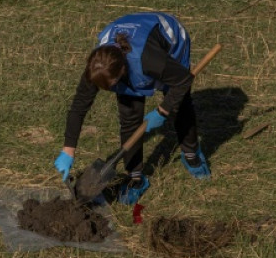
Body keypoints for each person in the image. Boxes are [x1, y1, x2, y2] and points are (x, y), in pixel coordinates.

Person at [53, 11, 211, 205]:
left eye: (111, 85)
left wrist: (163, 110)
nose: (110, 90)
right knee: (129, 117)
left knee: (179, 103)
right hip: (132, 52)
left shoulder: (149, 60)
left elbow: (184, 80)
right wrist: (68, 151)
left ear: (121, 71)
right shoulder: (96, 67)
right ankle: (135, 178)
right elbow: (79, 107)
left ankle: (191, 154)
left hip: (170, 42)